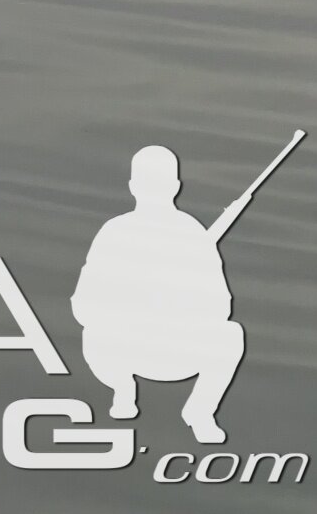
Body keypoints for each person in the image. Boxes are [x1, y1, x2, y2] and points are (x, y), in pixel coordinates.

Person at [74, 143, 248, 447]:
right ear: (175, 186)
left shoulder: (121, 231)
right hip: (132, 348)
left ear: (132, 186)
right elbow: (221, 307)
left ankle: (197, 411)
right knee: (230, 335)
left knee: (230, 334)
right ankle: (124, 390)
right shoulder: (129, 232)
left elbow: (83, 304)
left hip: (162, 351)